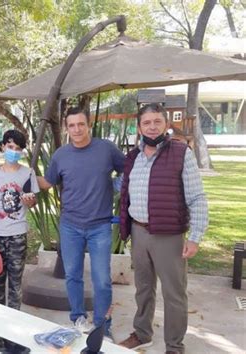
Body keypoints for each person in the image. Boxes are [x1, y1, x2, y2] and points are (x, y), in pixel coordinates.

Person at [118, 103, 208, 354]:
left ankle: (174, 346)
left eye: (157, 121)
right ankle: (142, 333)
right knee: (143, 288)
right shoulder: (133, 157)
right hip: (139, 232)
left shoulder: (180, 153)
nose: (152, 126)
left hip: (169, 235)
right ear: (139, 127)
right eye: (146, 122)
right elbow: (126, 193)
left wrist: (195, 236)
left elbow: (197, 197)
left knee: (174, 294)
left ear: (166, 124)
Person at [37, 107, 125, 338]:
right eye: (72, 125)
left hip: (100, 226)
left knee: (102, 280)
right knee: (73, 275)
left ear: (89, 125)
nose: (77, 129)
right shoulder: (60, 155)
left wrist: (116, 187)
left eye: (81, 124)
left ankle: (102, 326)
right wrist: (19, 176)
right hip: (70, 226)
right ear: (67, 128)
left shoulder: (106, 149)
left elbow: (127, 170)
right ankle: (78, 318)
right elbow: (47, 181)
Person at [0, 130, 39, 310]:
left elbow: (33, 202)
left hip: (17, 233)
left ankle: (14, 319)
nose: (13, 151)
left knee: (16, 283)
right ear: (2, 146)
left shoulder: (28, 173)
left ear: (22, 151)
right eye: (10, 147)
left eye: (17, 148)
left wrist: (31, 201)